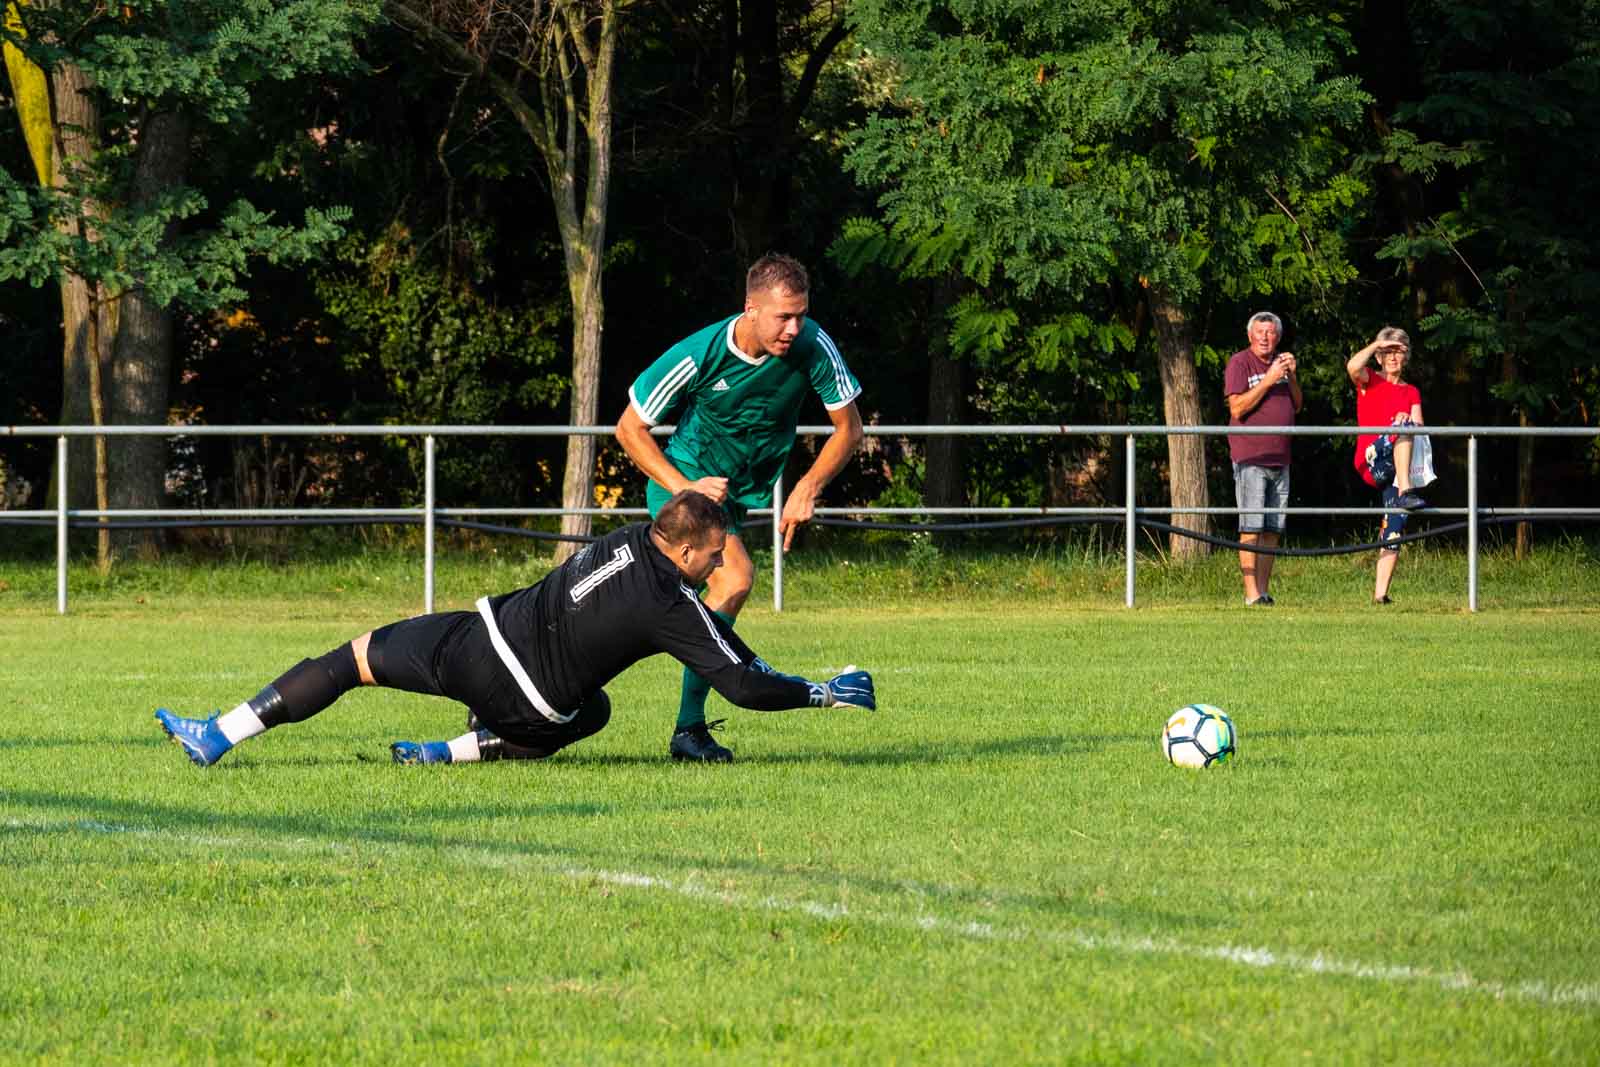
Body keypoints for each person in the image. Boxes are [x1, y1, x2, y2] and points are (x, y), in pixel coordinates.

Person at [154, 490, 876, 768]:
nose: (720, 567)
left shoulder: (632, 534)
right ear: (686, 550)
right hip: (530, 705)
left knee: (353, 660)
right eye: (714, 556)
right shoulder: (674, 603)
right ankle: (461, 750)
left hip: (481, 643)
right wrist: (824, 694)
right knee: (579, 710)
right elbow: (743, 681)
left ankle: (217, 734)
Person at [615, 253, 864, 763]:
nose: (793, 328)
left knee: (638, 612)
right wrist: (686, 487)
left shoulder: (813, 346)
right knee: (734, 580)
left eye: (801, 315)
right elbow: (629, 430)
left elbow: (850, 428)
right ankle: (689, 730)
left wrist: (807, 487)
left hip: (735, 501)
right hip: (683, 491)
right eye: (782, 317)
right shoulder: (698, 353)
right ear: (750, 308)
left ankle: (531, 681)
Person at [1224, 311, 1303, 606]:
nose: (1265, 337)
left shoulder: (1282, 365)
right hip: (1251, 457)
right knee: (1251, 526)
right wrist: (1269, 380)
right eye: (1260, 332)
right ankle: (1250, 594)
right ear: (1250, 336)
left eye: (1270, 332)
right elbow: (1237, 408)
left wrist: (1291, 375)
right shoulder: (1239, 362)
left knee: (1272, 529)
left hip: (1281, 457)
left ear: (1278, 337)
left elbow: (1298, 403)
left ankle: (1263, 591)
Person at [1346, 327, 1427, 605]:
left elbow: (1420, 427)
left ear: (1406, 357)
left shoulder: (1411, 390)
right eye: (1388, 352)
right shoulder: (1370, 380)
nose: (1393, 357)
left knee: (1395, 525)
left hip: (1397, 466)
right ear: (1379, 356)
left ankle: (1381, 595)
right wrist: (1377, 343)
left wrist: (1408, 421)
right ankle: (1406, 489)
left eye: (1399, 351)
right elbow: (1353, 366)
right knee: (1401, 426)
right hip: (1372, 459)